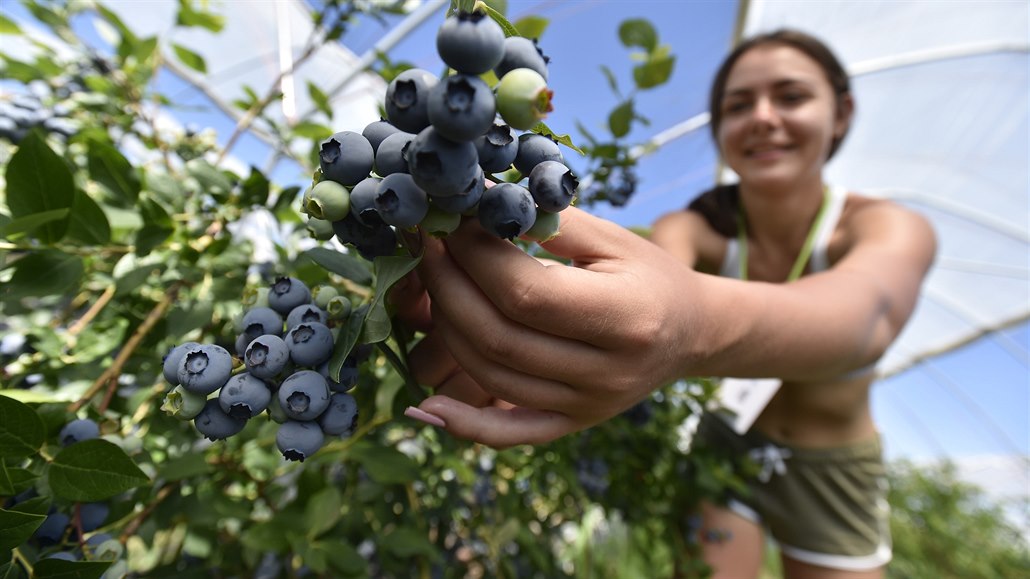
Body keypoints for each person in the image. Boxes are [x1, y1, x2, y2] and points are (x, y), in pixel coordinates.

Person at [393, 28, 936, 579]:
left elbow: (866, 320)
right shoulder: (696, 228)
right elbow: (646, 288)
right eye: (739, 104)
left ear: (841, 113)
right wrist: (537, 326)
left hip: (831, 468)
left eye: (791, 97)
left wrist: (691, 323)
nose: (764, 117)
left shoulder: (886, 225)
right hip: (722, 452)